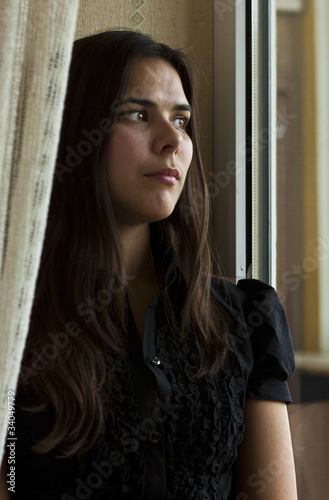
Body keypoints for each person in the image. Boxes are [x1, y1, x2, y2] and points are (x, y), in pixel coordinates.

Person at [0, 30, 297, 499]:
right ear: (77, 130)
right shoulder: (15, 320)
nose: (170, 141)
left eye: (181, 121)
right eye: (137, 114)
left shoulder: (245, 316)